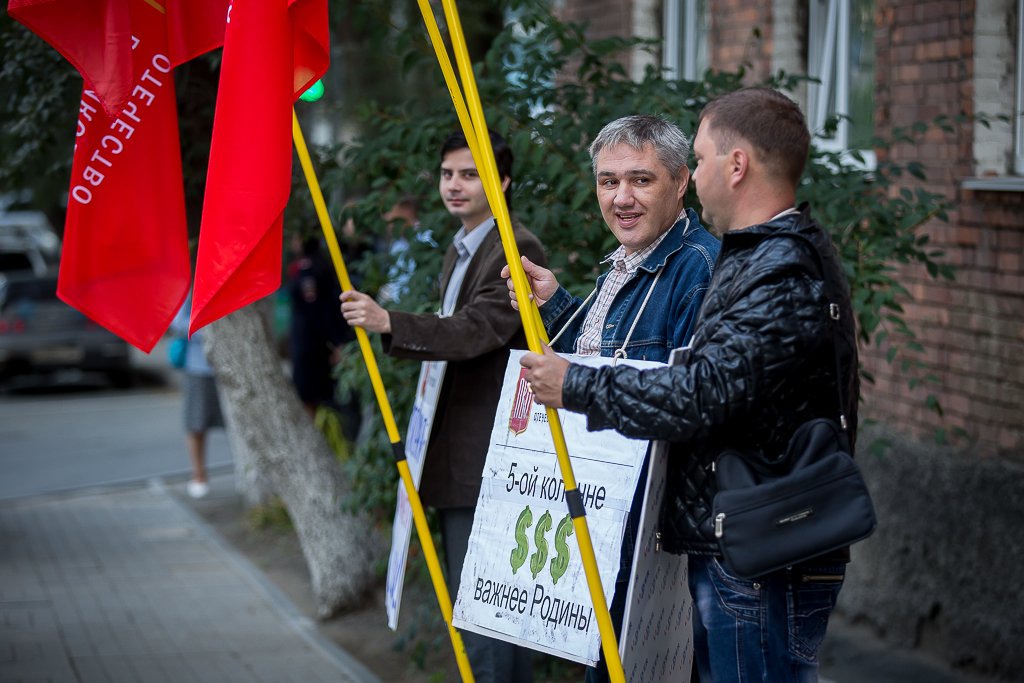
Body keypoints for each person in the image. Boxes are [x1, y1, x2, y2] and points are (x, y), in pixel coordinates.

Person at [518, 88, 860, 683]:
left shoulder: (773, 269)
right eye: (607, 180)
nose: (695, 175)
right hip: (747, 542)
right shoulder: (762, 257)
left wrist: (576, 386)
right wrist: (561, 316)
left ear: (735, 166)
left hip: (760, 551)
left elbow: (698, 394)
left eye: (697, 161)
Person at [501, 114, 720, 683]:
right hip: (611, 520)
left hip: (659, 538)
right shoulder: (626, 263)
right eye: (607, 181)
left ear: (681, 182)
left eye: (640, 180)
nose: (621, 197)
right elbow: (609, 363)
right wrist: (556, 303)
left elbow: (683, 400)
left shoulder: (697, 270)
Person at [340, 130, 546, 683]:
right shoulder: (464, 245)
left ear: (501, 182)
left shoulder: (513, 245)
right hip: (458, 453)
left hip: (489, 459)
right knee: (474, 612)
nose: (455, 185)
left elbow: (479, 329)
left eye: (470, 174)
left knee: (491, 621)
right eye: (448, 173)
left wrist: (391, 322)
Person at [287, 234, 350, 420]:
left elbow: (318, 310)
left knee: (312, 396)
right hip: (311, 342)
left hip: (312, 345)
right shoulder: (312, 266)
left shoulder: (310, 270)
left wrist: (337, 342)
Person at [170, 294, 225, 499]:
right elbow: (178, 323)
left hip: (227, 366)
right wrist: (210, 330)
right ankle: (199, 474)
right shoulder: (191, 289)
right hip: (198, 366)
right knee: (196, 423)